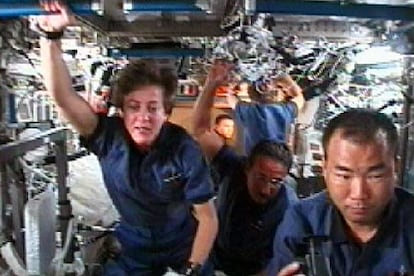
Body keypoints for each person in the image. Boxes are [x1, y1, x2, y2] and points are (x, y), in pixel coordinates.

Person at [37, 2, 218, 275]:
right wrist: (51, 38)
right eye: (134, 107)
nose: (143, 117)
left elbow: (207, 218)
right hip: (134, 250)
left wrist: (192, 269)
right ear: (121, 111)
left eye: (153, 108)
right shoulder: (108, 138)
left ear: (166, 113)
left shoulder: (184, 148)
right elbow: (63, 98)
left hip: (183, 247)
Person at [267, 108, 414, 276]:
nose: (358, 193)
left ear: (396, 167)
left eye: (375, 176)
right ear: (325, 168)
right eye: (344, 175)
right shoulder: (302, 222)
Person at [192, 61, 298, 275]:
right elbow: (201, 130)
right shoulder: (232, 168)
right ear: (246, 169)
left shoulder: (289, 205)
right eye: (261, 178)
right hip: (217, 263)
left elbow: (285, 255)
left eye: (276, 181)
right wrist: (211, 84)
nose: (267, 189)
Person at [226, 74, 304, 154]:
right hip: (266, 159)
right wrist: (289, 82)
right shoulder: (283, 111)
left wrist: (233, 86)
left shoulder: (249, 111)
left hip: (266, 159)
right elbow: (300, 98)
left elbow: (231, 98)